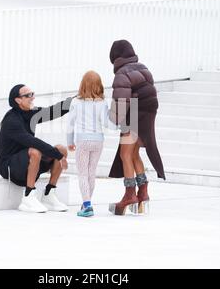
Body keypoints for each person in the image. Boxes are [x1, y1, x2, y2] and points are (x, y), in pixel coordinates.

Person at [107, 39, 166, 216]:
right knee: (133, 154)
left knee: (125, 154)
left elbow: (121, 100)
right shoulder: (143, 67)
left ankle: (130, 195)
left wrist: (115, 118)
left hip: (133, 114)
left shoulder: (121, 74)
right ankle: (143, 192)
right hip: (149, 112)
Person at [0, 84, 74, 213]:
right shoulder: (11, 120)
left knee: (61, 149)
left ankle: (49, 194)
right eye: (28, 95)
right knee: (36, 150)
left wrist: (75, 100)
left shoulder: (31, 113)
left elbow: (52, 111)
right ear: (18, 100)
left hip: (29, 162)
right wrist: (58, 156)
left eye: (32, 94)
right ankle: (28, 196)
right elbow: (33, 142)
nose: (32, 97)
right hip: (11, 167)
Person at [67, 71, 118, 217]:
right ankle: (86, 203)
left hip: (83, 141)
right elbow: (107, 123)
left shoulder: (76, 102)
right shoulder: (102, 103)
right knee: (91, 173)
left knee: (82, 174)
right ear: (99, 85)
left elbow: (70, 124)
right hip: (98, 141)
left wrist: (70, 142)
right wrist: (120, 127)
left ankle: (87, 205)